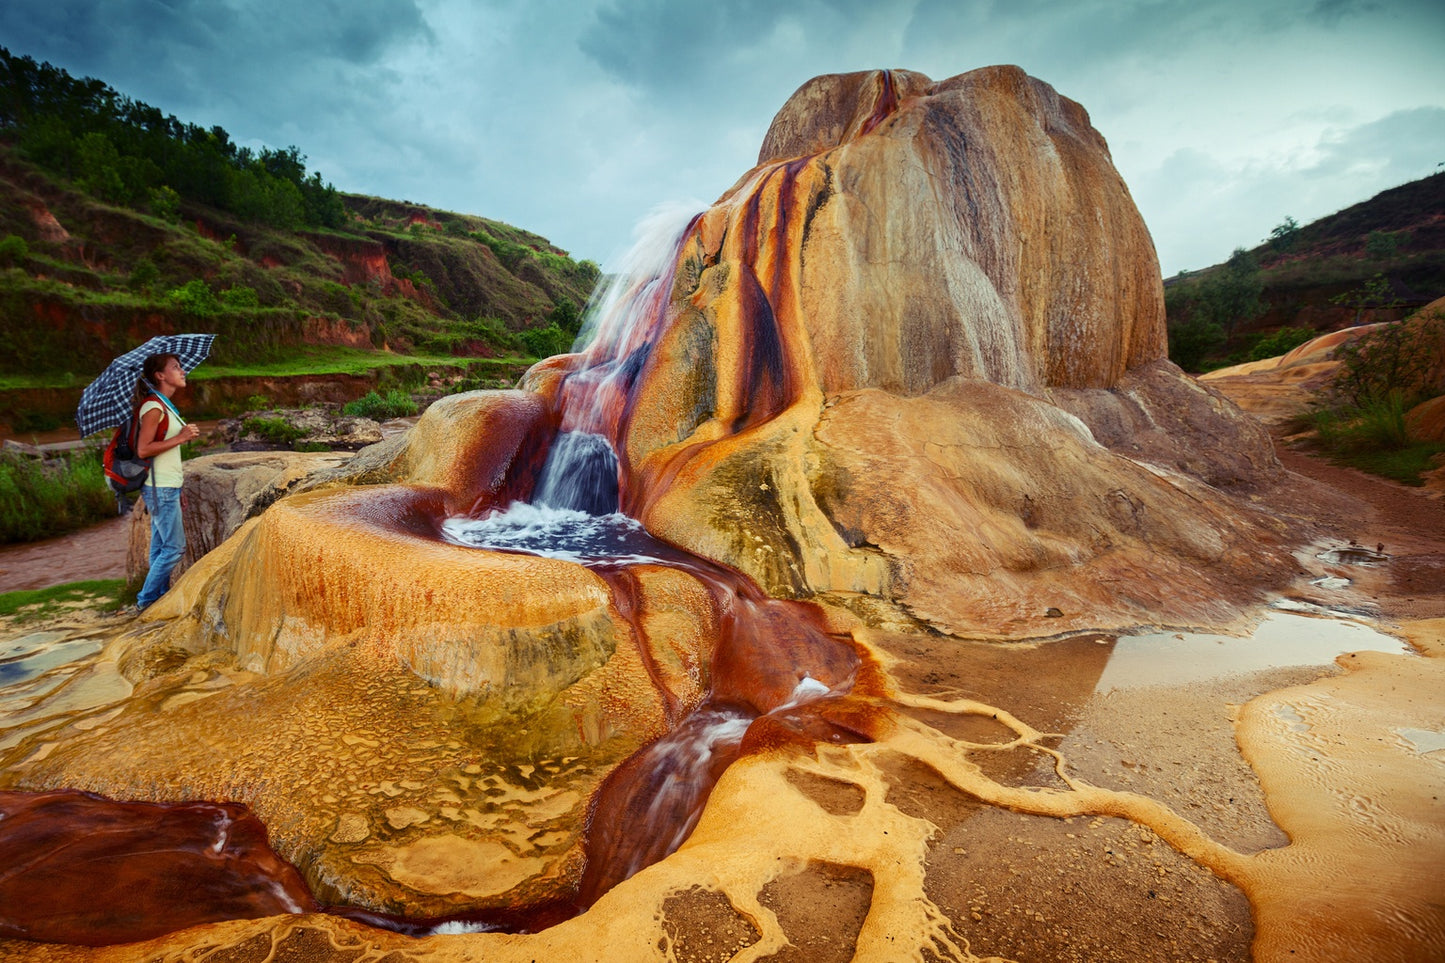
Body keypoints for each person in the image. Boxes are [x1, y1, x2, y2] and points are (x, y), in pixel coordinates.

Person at [133, 353, 201, 610]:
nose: (182, 371)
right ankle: (147, 601)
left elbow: (165, 454)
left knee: (161, 547)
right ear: (160, 376)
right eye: (175, 367)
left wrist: (178, 486)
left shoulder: (164, 405)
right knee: (174, 549)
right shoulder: (153, 407)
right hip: (159, 487)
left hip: (166, 485)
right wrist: (181, 437)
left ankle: (158, 596)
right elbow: (143, 449)